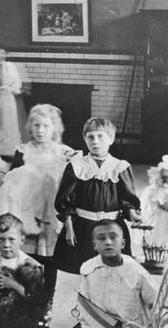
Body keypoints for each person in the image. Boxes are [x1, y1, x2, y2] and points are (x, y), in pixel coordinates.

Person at [0, 103, 74, 311]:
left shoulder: (64, 152)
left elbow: (70, 183)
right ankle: (25, 296)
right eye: (36, 126)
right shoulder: (23, 150)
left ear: (54, 127)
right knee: (27, 257)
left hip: (49, 212)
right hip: (25, 211)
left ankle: (48, 300)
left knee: (49, 258)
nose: (40, 130)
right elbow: (11, 181)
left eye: (45, 126)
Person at [53, 117, 141, 275]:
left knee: (113, 271)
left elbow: (127, 198)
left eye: (101, 136)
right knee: (84, 271)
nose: (95, 141)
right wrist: (69, 228)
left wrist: (133, 213)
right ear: (85, 140)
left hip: (112, 226)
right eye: (90, 137)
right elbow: (66, 202)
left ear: (111, 139)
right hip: (83, 228)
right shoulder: (77, 166)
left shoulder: (119, 167)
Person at [76, 220, 157, 328]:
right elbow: (85, 305)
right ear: (94, 245)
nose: (108, 242)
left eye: (113, 237)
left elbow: (155, 303)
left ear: (123, 243)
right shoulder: (88, 269)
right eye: (101, 238)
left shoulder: (136, 272)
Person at [0, 45, 28, 159]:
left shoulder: (11, 66)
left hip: (8, 97)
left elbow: (17, 82)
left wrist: (9, 89)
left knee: (8, 120)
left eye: (2, 52)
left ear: (6, 54)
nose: (0, 55)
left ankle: (9, 148)